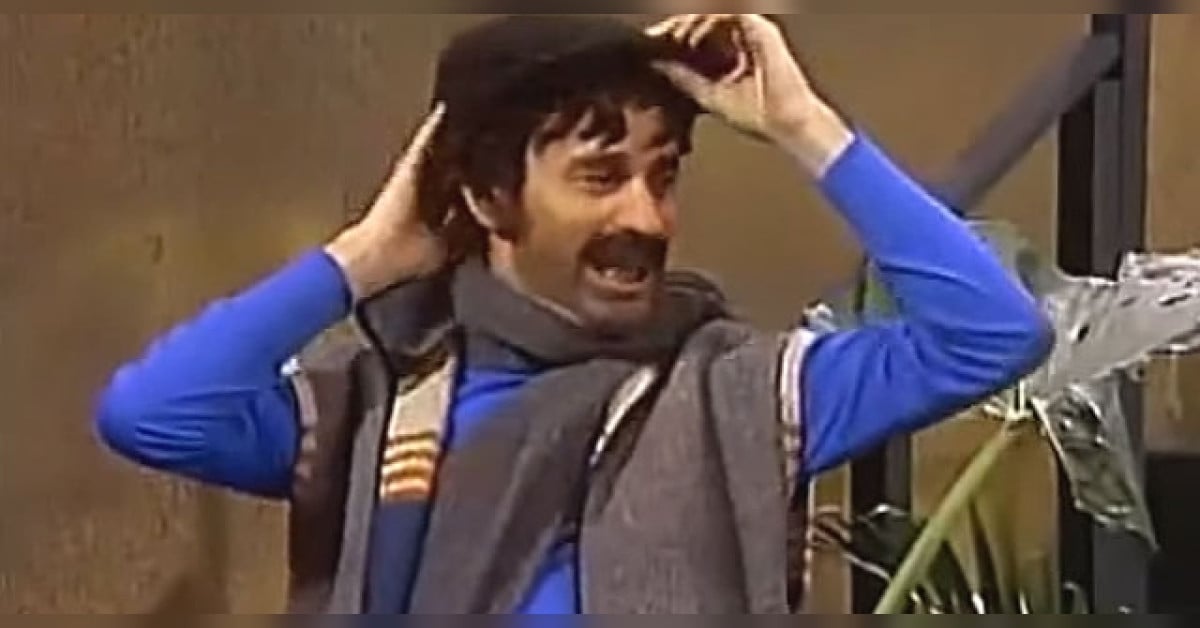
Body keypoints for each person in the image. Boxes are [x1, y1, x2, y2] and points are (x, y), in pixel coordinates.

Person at [94, 14, 1053, 614]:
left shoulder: (735, 394)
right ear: (487, 197)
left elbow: (992, 333)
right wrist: (369, 255)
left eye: (662, 176)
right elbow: (156, 414)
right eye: (601, 177)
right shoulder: (378, 402)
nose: (647, 217)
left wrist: (802, 126)